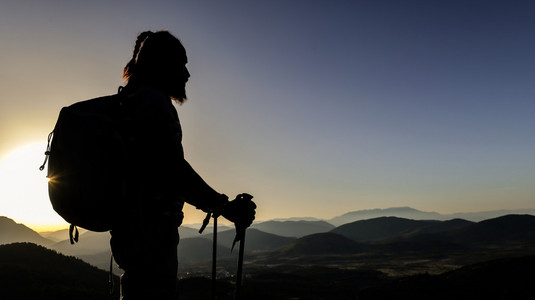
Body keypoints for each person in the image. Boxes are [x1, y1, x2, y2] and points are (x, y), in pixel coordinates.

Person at [109, 30, 256, 300]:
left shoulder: (129, 101)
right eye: (182, 64)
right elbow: (172, 169)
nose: (187, 74)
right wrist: (224, 206)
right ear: (163, 65)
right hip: (152, 235)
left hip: (130, 233)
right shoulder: (154, 102)